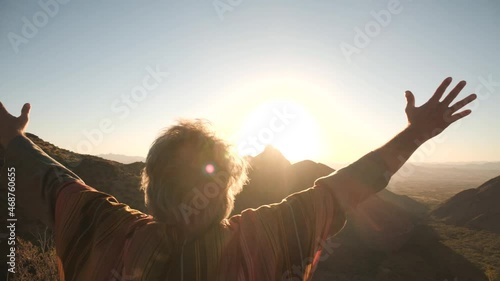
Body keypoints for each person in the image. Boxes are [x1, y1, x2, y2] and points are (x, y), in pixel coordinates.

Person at [0, 77, 476, 281]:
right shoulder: (263, 239)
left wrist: (12, 137)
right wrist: (414, 134)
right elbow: (346, 186)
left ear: (150, 186)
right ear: (227, 191)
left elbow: (51, 178)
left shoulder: (106, 230)